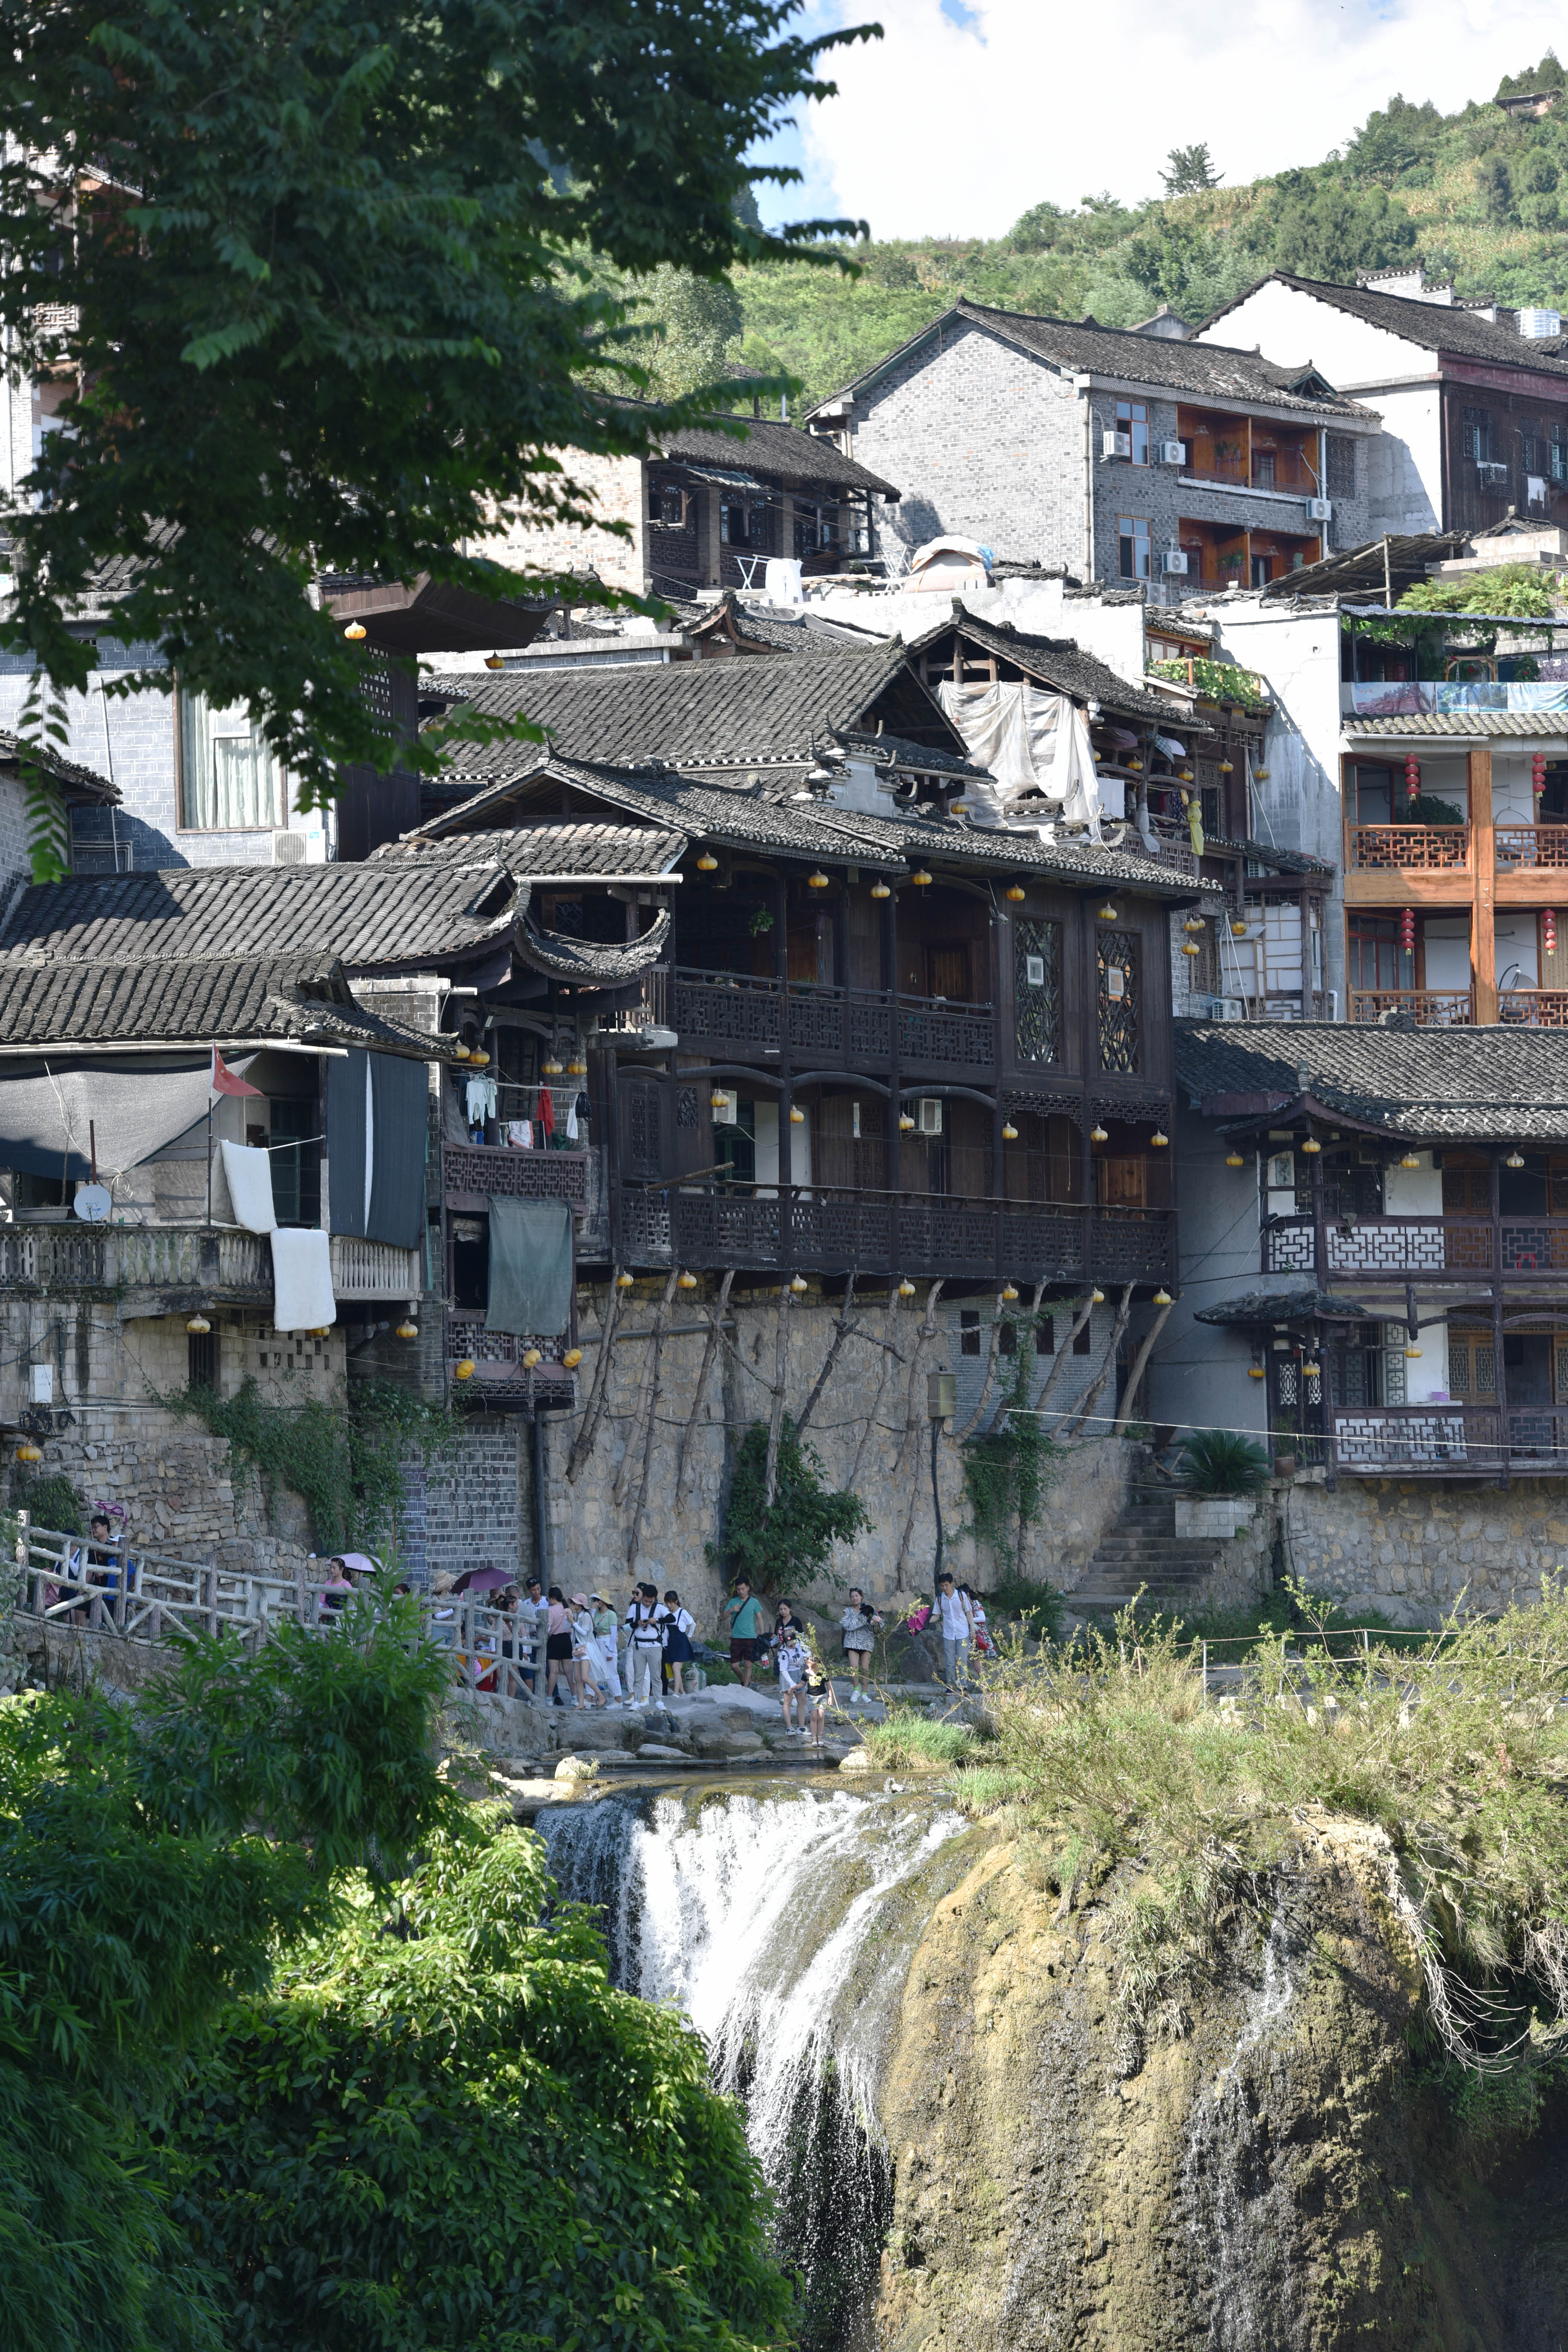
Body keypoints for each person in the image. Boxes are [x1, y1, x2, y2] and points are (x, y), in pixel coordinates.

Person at [624, 1582, 666, 1708]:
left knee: (656, 1675)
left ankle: (659, 1701)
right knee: (639, 1675)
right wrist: (637, 1623)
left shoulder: (659, 1608)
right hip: (639, 1645)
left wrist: (656, 1620)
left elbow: (671, 1619)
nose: (648, 1604)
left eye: (651, 1601)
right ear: (643, 1598)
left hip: (654, 1645)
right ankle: (637, 1701)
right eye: (647, 1601)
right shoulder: (634, 1608)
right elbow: (627, 1626)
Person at [838, 1588, 882, 1706]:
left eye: (857, 1596)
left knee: (865, 1669)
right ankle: (856, 1690)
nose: (855, 1598)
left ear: (861, 1596)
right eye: (852, 1596)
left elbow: (882, 1627)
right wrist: (865, 1619)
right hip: (852, 1643)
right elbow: (848, 1626)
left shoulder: (869, 1610)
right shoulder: (847, 1611)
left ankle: (865, 1694)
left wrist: (877, 1622)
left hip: (867, 1643)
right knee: (854, 1667)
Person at [722, 1577, 766, 1689]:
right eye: (738, 1590)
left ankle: (746, 1688)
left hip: (750, 1637)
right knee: (734, 1665)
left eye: (743, 1589)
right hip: (736, 1637)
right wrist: (731, 1610)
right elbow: (723, 1617)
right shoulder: (733, 1602)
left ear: (748, 1588)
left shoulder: (754, 1602)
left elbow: (760, 1619)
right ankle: (743, 1681)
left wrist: (762, 1635)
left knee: (748, 1664)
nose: (741, 1592)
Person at [934, 1571, 974, 1690]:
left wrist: (973, 1630)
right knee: (950, 1662)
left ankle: (964, 1686)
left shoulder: (960, 1596)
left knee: (962, 1661)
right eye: (942, 1586)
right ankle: (951, 1686)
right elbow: (936, 1615)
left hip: (962, 1633)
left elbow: (969, 1612)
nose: (945, 1588)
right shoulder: (940, 1599)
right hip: (949, 1634)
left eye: (946, 1585)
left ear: (951, 1584)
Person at [801, 1637, 836, 1750]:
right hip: (811, 1697)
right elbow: (802, 1684)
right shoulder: (806, 1673)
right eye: (811, 1666)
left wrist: (830, 1697)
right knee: (814, 1717)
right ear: (808, 1664)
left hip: (822, 1696)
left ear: (819, 1665)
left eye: (815, 1666)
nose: (813, 1668)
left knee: (821, 1716)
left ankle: (820, 1738)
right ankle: (813, 1738)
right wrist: (795, 1687)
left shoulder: (822, 1673)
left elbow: (828, 1684)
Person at [543, 1584, 576, 1706]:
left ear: (552, 1598)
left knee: (553, 1672)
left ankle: (549, 1698)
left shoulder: (551, 1611)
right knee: (569, 1672)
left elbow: (548, 1628)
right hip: (566, 1641)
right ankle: (574, 1697)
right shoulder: (567, 1609)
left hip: (555, 1641)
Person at [775, 1620, 809, 1734]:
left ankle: (801, 1726)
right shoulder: (784, 1652)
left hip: (799, 1672)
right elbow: (783, 1670)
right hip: (788, 1675)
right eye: (790, 1644)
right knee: (788, 1701)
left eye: (793, 1643)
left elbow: (806, 1653)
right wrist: (791, 1683)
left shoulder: (799, 1645)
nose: (793, 1645)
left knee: (802, 1700)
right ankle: (789, 1727)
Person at [568, 1592, 602, 1706]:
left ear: (580, 1604)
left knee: (584, 1676)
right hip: (577, 1648)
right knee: (577, 1677)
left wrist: (573, 1623)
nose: (572, 1604)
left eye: (574, 1603)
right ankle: (581, 1703)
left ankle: (601, 1696)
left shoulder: (586, 1616)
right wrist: (571, 1618)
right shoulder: (577, 1615)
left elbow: (584, 1632)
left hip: (585, 1648)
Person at [661, 1588, 697, 1697]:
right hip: (671, 1643)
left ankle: (676, 1693)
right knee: (675, 1668)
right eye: (667, 1603)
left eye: (671, 1603)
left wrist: (689, 1636)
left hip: (682, 1642)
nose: (669, 1605)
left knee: (676, 1667)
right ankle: (683, 1692)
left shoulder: (682, 1612)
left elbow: (693, 1624)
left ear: (676, 1601)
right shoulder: (667, 1613)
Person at [589, 1591, 623, 1703]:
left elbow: (614, 1634)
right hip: (598, 1640)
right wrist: (593, 1610)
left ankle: (618, 1701)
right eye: (595, 1600)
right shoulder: (597, 1613)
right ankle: (592, 1698)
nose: (597, 1602)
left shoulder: (611, 1614)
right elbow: (593, 1624)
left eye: (599, 1600)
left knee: (611, 1672)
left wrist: (611, 1651)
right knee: (594, 1670)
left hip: (607, 1642)